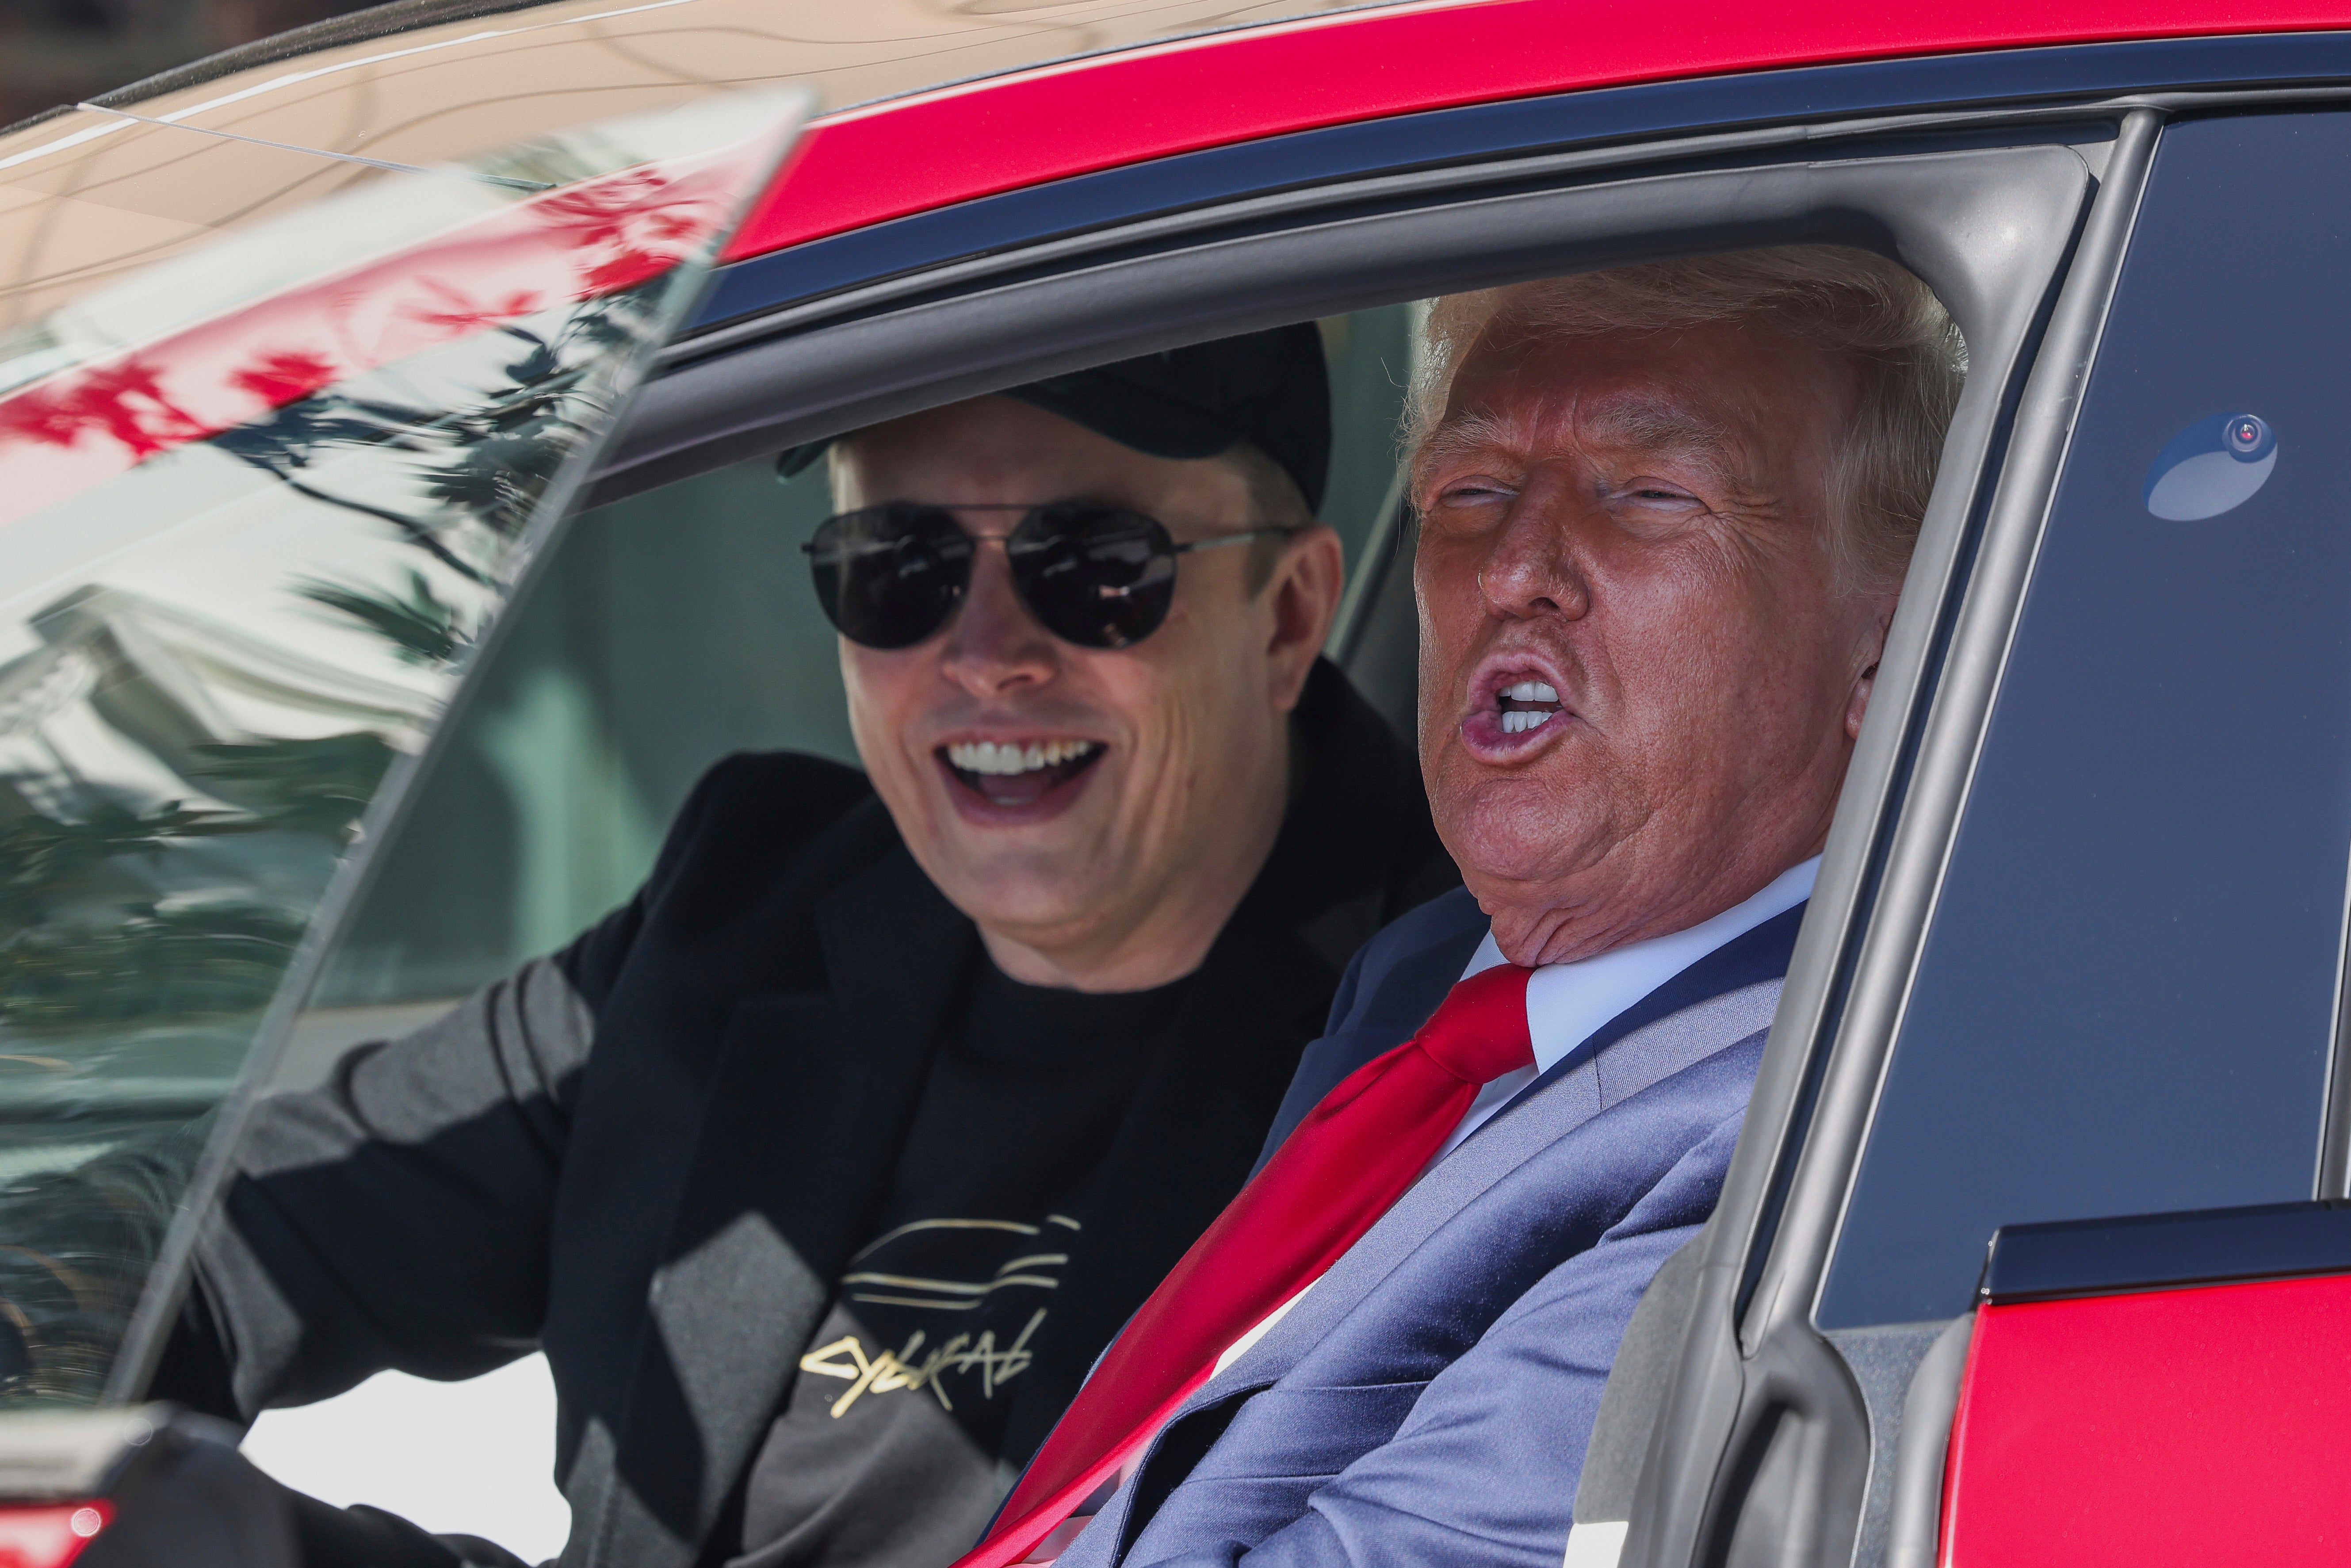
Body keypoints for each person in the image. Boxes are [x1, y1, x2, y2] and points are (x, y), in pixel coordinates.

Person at [75, 327, 1455, 1568]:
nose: (985, 653)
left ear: (1284, 616)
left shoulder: (1463, 1011)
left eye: (1091, 568)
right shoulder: (751, 903)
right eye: (898, 570)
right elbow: (227, 1242)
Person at [958, 246, 1965, 1568]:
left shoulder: (1799, 1136)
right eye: (1470, 491)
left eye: (1650, 494)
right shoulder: (1431, 974)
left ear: (1884, 652)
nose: (1513, 570)